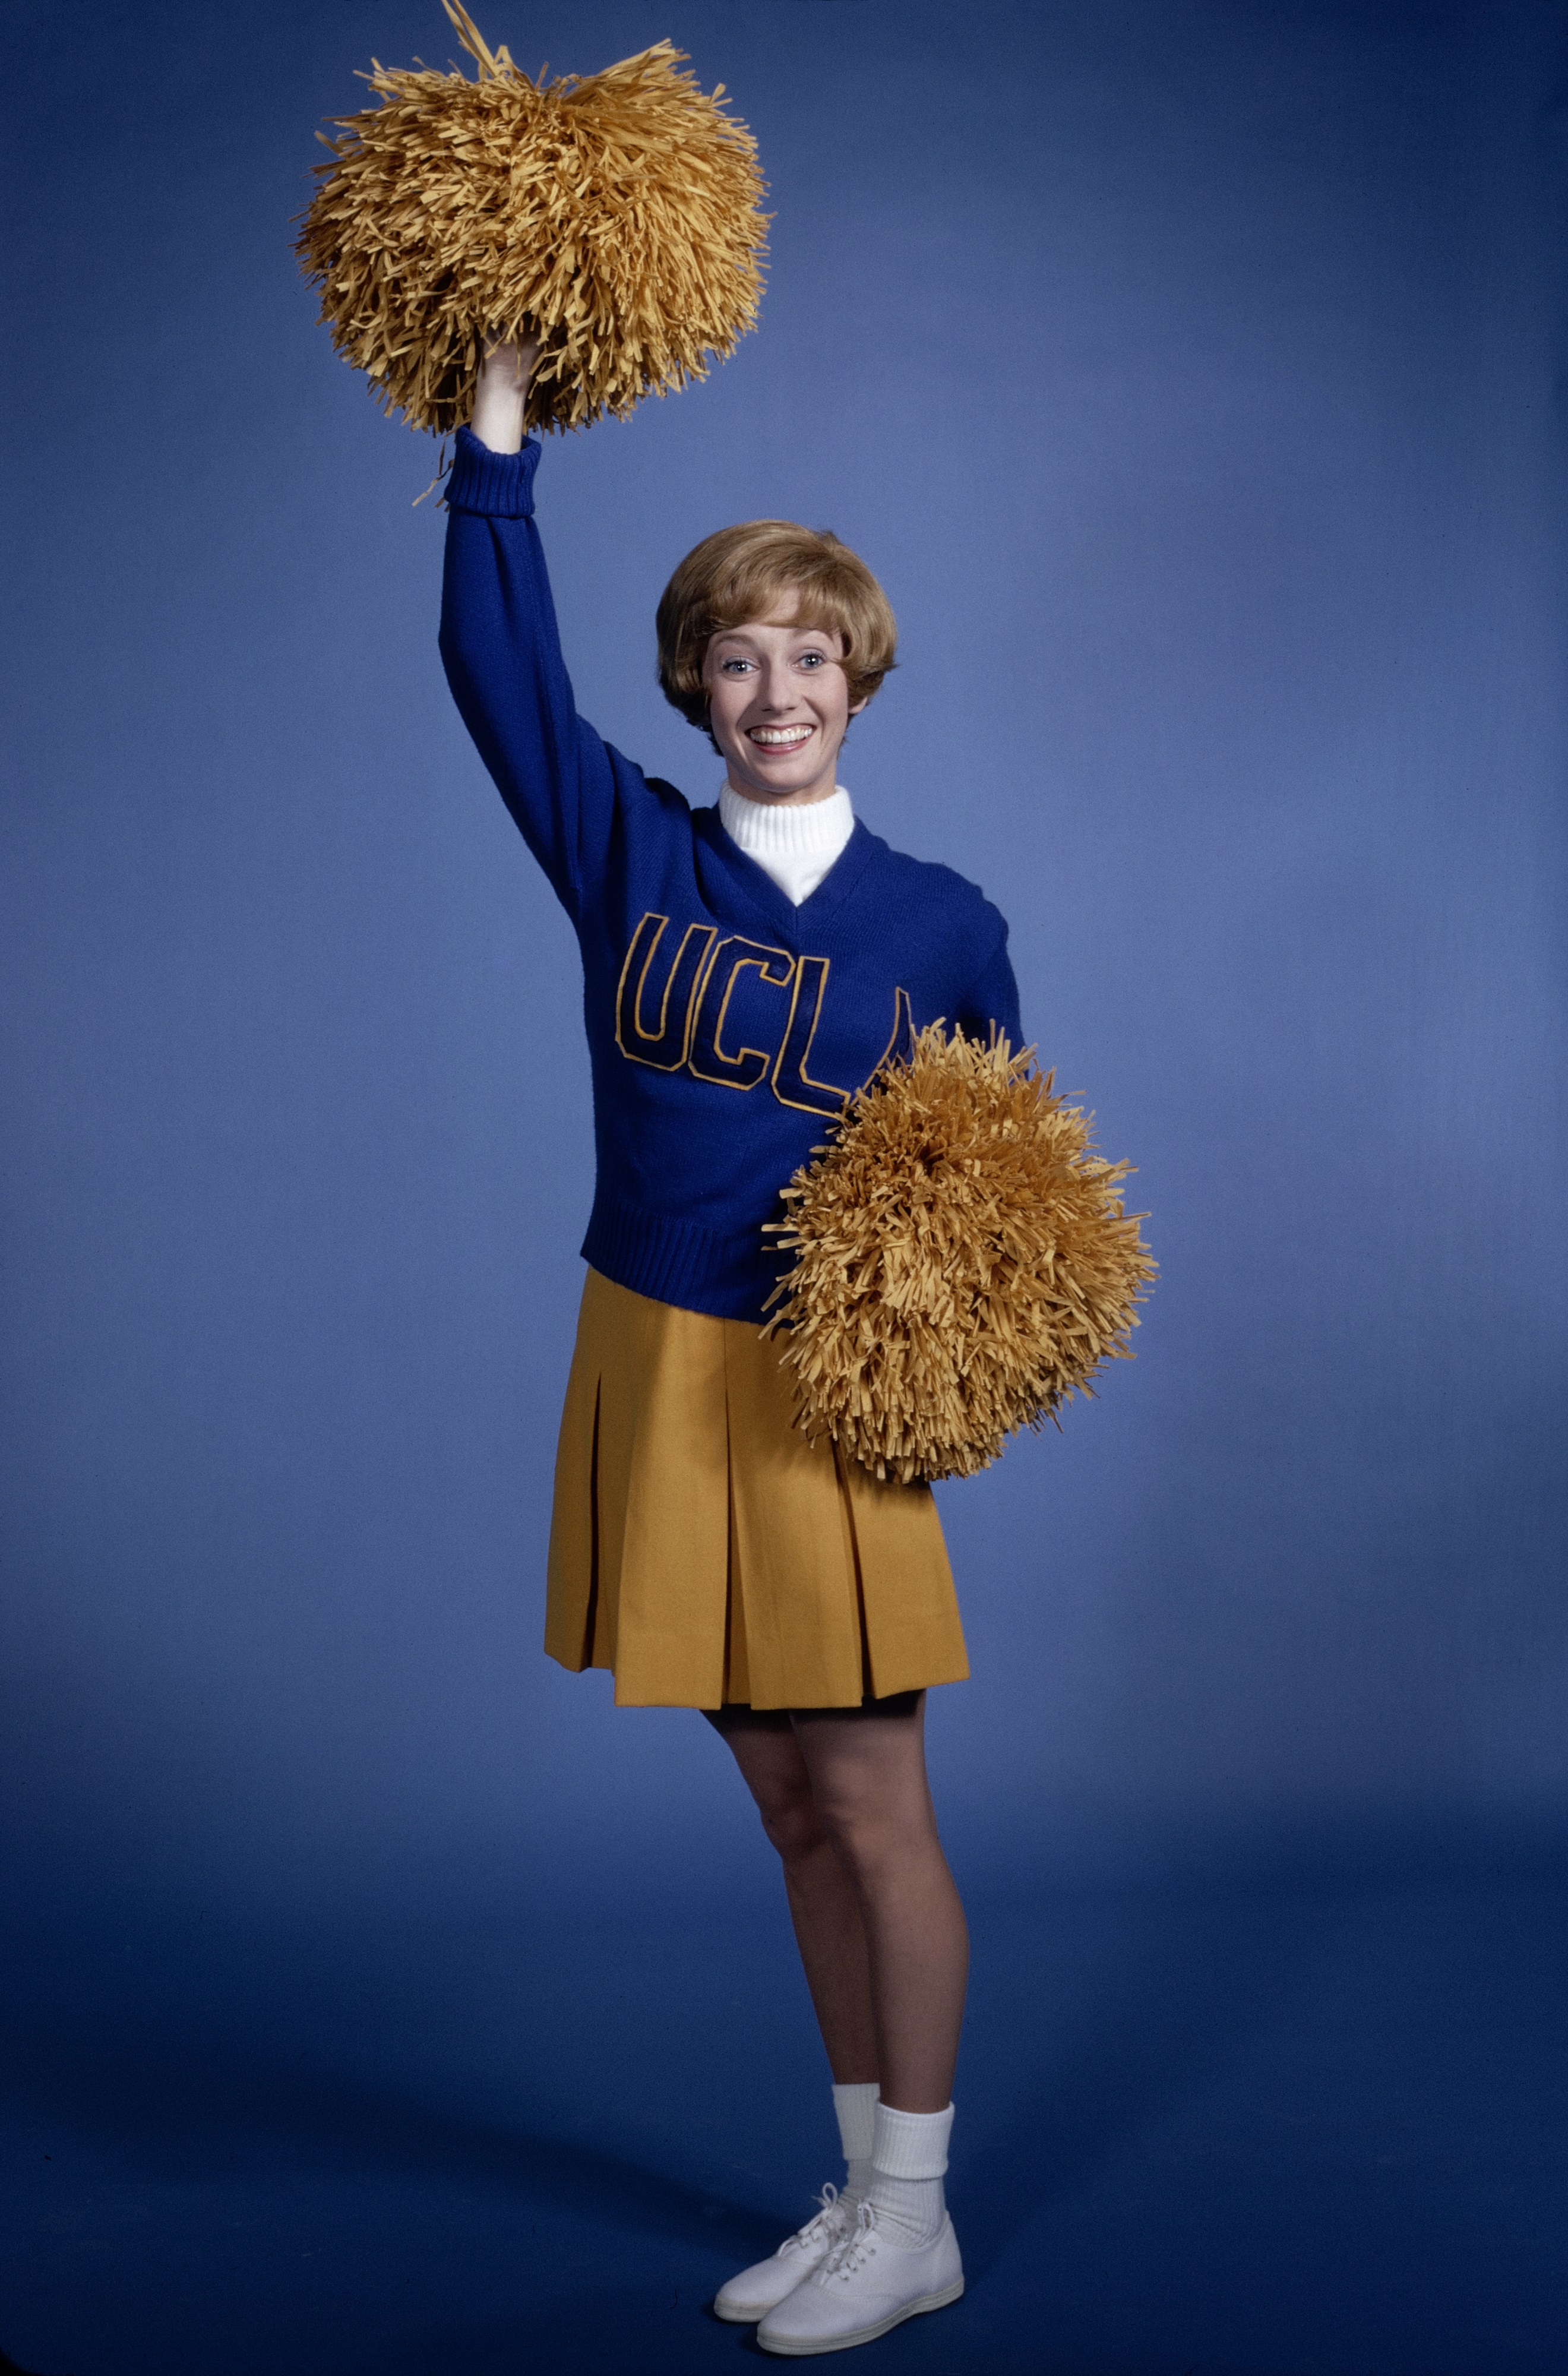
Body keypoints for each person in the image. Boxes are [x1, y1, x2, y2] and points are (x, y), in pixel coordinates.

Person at [438, 334, 1022, 2356]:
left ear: (860, 681)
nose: (778, 695)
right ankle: (868, 2194)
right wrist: (498, 427)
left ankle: (919, 2211)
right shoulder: (629, 854)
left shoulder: (943, 922)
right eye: (739, 660)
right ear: (696, 686)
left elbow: (1005, 1193)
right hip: (650, 1357)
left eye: (811, 658)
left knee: (874, 1806)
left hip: (822, 1400)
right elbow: (495, 672)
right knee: (783, 1806)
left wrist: (928, 1361)